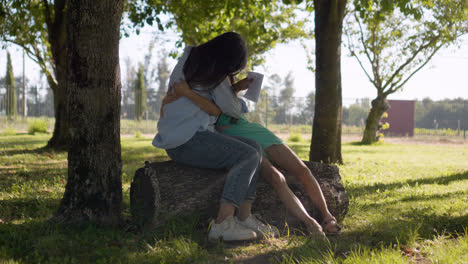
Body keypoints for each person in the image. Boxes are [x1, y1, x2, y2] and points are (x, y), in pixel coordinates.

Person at [171, 74, 341, 238]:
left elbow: (229, 105)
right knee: (277, 178)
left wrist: (237, 88)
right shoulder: (203, 87)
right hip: (232, 139)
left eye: (230, 81)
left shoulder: (231, 94)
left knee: (302, 171)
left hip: (253, 131)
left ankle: (328, 216)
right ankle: (310, 223)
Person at [154, 32, 274, 241]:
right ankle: (222, 224)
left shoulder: (193, 59)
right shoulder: (214, 72)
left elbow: (216, 104)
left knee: (255, 148)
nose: (229, 73)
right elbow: (232, 110)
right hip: (186, 140)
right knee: (247, 155)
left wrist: (233, 90)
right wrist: (233, 96)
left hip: (185, 136)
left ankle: (244, 217)